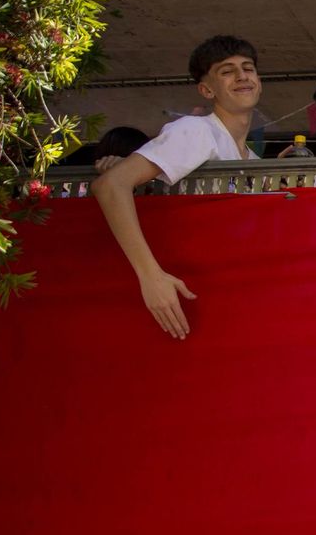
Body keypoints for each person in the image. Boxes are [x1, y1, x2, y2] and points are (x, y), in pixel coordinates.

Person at [92, 35, 263, 339]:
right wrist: (150, 276)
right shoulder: (196, 130)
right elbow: (110, 184)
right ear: (206, 89)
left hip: (224, 297)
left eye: (248, 68)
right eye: (227, 71)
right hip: (184, 289)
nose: (241, 76)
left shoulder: (254, 159)